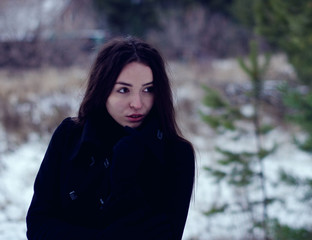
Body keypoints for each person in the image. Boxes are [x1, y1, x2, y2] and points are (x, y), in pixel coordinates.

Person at [26, 36, 195, 240]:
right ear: (102, 90)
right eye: (123, 90)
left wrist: (125, 176)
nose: (137, 103)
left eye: (148, 89)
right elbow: (38, 225)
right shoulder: (69, 136)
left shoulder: (176, 153)